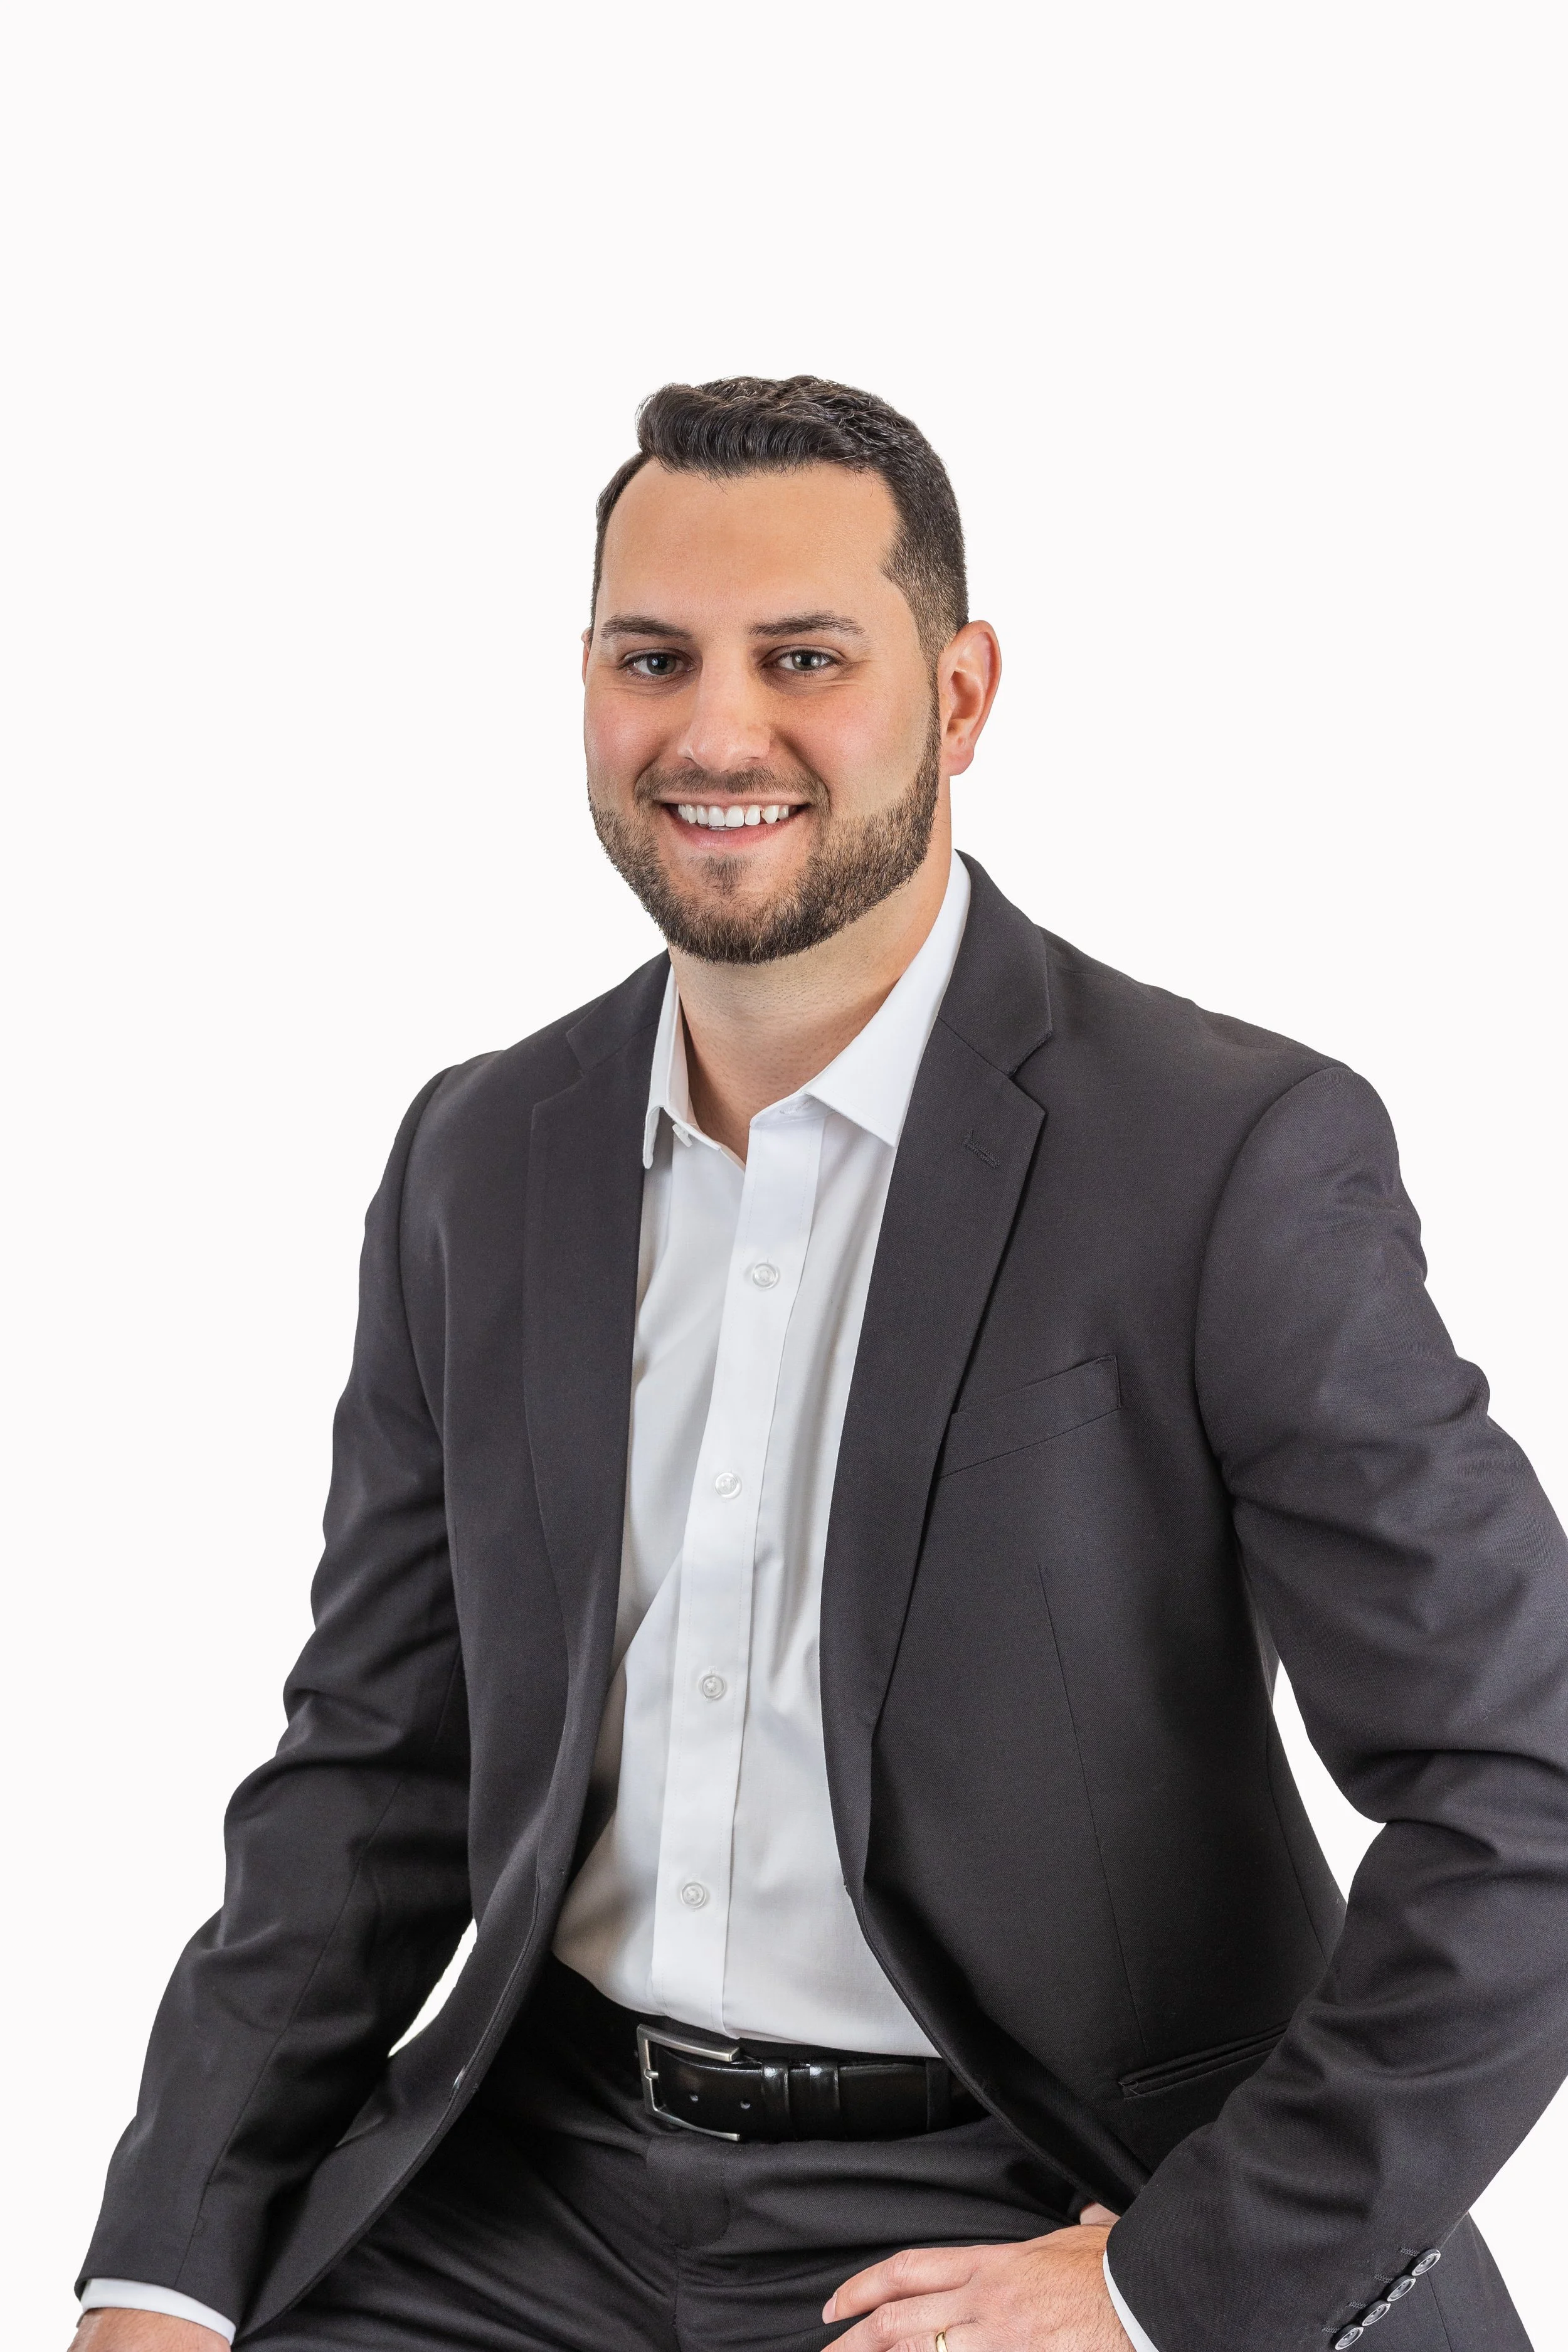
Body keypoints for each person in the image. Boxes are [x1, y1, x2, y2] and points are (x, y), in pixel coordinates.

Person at [73, 376, 1568, 2352]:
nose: (714, 729)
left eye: (802, 657)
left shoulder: (1219, 1158)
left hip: (1020, 2190)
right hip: (533, 2194)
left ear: (957, 700)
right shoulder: (479, 1150)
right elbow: (371, 1770)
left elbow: (1525, 1785)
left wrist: (1154, 2289)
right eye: (650, 655)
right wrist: (163, 2262)